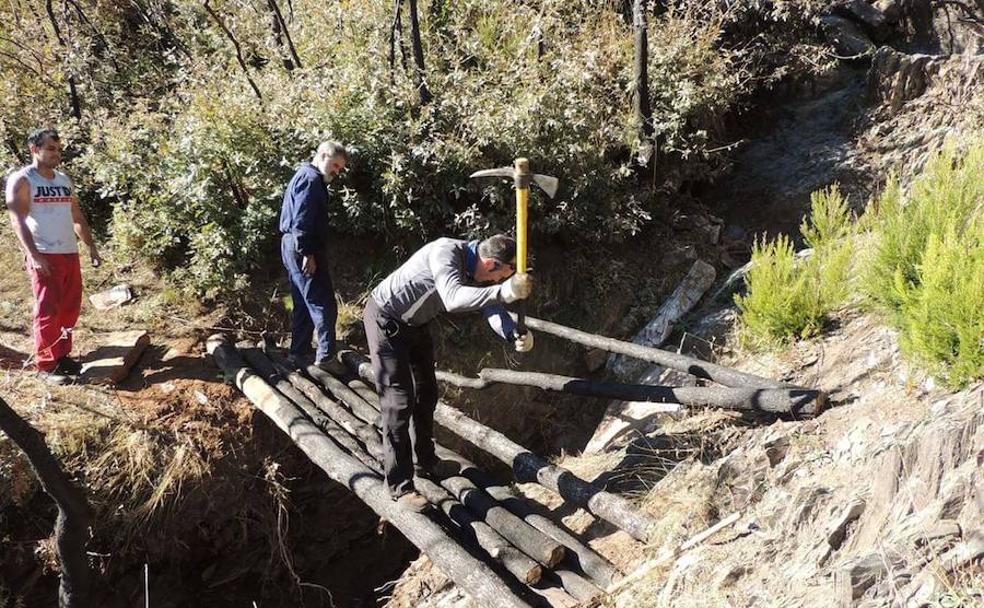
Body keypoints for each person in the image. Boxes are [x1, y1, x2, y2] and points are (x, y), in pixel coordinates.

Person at [364, 234, 534, 511]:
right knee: (398, 403)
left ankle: (426, 461)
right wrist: (505, 291)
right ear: (490, 263)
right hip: (385, 322)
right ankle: (399, 486)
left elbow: (490, 305)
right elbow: (453, 298)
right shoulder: (446, 252)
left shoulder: (476, 268)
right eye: (503, 274)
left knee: (427, 393)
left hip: (415, 326)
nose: (499, 281)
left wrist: (511, 331)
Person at [5, 128, 101, 384]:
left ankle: (62, 354)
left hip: (69, 252)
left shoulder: (62, 180)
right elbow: (18, 220)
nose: (56, 154)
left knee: (69, 309)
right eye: (50, 148)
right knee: (48, 310)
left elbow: (76, 216)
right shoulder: (23, 179)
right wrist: (33, 254)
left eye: (58, 149)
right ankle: (46, 365)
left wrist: (90, 246)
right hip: (45, 254)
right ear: (34, 149)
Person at [279, 141, 348, 372]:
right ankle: (327, 357)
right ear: (323, 155)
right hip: (302, 247)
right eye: (335, 165)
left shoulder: (304, 175)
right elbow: (302, 219)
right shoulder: (310, 180)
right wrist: (307, 253)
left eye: (340, 169)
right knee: (323, 302)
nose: (336, 172)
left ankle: (299, 351)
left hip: (292, 244)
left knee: (302, 301)